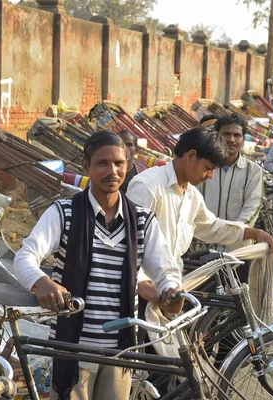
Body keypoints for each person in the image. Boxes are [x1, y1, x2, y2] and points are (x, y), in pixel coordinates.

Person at [13, 131, 182, 400]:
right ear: (86, 167)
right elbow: (24, 257)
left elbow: (165, 269)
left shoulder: (141, 220)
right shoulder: (64, 212)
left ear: (127, 166)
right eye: (102, 163)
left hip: (121, 351)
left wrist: (170, 289)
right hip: (73, 348)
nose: (112, 171)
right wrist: (42, 282)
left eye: (119, 163)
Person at [127, 126, 273, 302]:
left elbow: (212, 227)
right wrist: (145, 286)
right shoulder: (148, 187)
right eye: (208, 168)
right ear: (190, 156)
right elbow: (127, 247)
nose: (211, 176)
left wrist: (253, 233)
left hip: (171, 288)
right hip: (142, 292)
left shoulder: (191, 194)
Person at [198, 114, 264, 278]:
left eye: (237, 135)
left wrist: (233, 233)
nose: (231, 139)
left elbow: (252, 208)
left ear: (243, 139)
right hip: (202, 247)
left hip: (239, 250)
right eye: (226, 134)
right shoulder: (203, 167)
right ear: (217, 136)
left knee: (237, 300)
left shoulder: (253, 171)